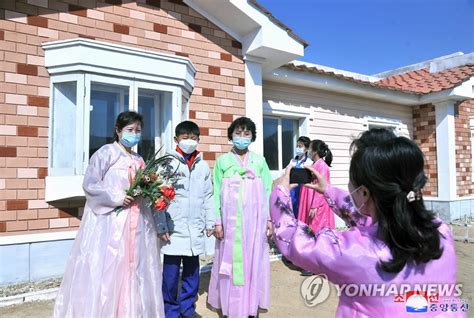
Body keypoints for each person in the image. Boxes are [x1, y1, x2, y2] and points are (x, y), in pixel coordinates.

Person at [270, 129, 464, 317]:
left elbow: (295, 241)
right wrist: (327, 190)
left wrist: (279, 192)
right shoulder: (440, 231)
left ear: (364, 193)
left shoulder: (355, 251)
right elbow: (366, 217)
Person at [53, 111, 164, 317]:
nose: (134, 134)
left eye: (138, 130)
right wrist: (117, 196)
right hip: (110, 225)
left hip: (137, 223)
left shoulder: (139, 159)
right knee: (110, 269)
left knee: (135, 268)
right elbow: (91, 185)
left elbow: (143, 190)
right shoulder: (106, 153)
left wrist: (152, 193)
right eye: (129, 130)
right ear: (117, 130)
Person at [207, 117, 273, 318]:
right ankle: (231, 307)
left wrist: (269, 220)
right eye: (238, 133)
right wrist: (217, 221)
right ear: (231, 135)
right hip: (230, 223)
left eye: (246, 134)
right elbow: (216, 192)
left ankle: (251, 305)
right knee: (230, 262)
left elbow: (269, 191)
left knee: (254, 261)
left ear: (252, 137)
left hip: (255, 223)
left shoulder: (259, 161)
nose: (242, 137)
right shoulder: (223, 162)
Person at [154, 120, 215, 318]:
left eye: (193, 138)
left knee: (192, 274)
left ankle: (187, 309)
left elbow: (208, 196)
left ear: (198, 140)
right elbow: (158, 197)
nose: (189, 141)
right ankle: (170, 310)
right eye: (185, 137)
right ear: (176, 139)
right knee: (170, 276)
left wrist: (209, 222)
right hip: (173, 229)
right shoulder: (166, 163)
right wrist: (161, 225)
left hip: (194, 228)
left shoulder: (203, 167)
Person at [298, 140, 334, 232]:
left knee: (317, 228)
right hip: (312, 199)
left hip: (319, 203)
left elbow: (322, 188)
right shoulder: (315, 164)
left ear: (315, 152)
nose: (308, 151)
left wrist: (315, 206)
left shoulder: (322, 165)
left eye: (310, 149)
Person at [287, 136, 312, 218]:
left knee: (301, 214)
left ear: (307, 149)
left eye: (300, 146)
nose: (297, 148)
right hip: (292, 191)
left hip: (303, 191)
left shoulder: (309, 162)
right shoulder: (293, 161)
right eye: (297, 146)